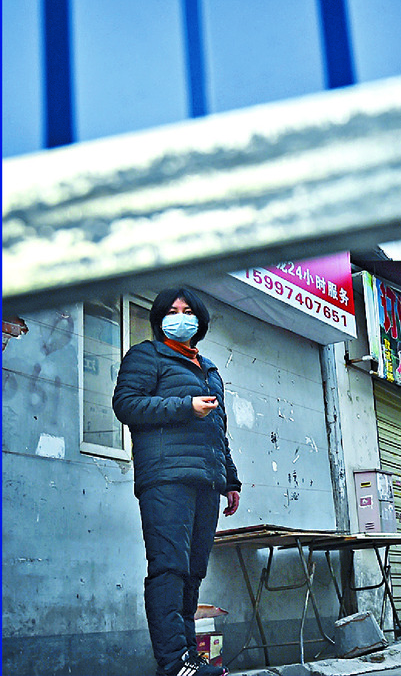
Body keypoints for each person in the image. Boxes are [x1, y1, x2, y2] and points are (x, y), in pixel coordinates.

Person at [113, 288, 242, 676]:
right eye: (172, 311)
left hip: (206, 481)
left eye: (188, 312)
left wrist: (230, 479)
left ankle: (188, 657)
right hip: (165, 477)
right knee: (169, 568)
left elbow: (218, 430)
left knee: (193, 571)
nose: (180, 317)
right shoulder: (147, 355)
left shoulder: (210, 370)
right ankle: (173, 663)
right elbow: (126, 405)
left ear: (200, 322)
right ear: (160, 318)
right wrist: (185, 406)